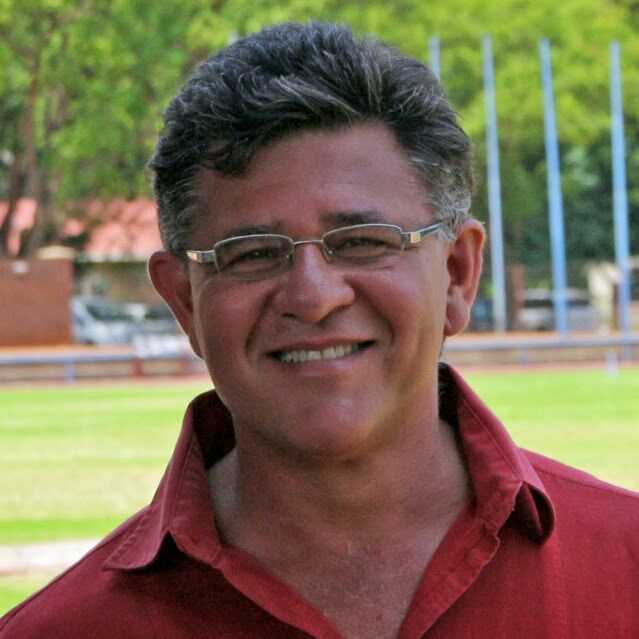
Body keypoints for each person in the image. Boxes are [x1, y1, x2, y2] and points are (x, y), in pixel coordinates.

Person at [1, 21, 638, 639]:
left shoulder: (626, 568)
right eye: (253, 254)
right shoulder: (63, 631)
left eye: (363, 242)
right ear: (184, 301)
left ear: (457, 274)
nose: (312, 298)